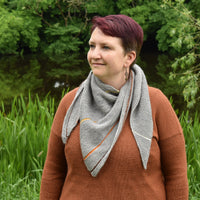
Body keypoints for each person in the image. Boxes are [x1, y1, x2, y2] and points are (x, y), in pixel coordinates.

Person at [40, 15, 188, 199]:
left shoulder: (156, 103)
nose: (94, 54)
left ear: (129, 57)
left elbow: (176, 175)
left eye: (106, 47)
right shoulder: (70, 103)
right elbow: (53, 172)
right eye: (92, 46)